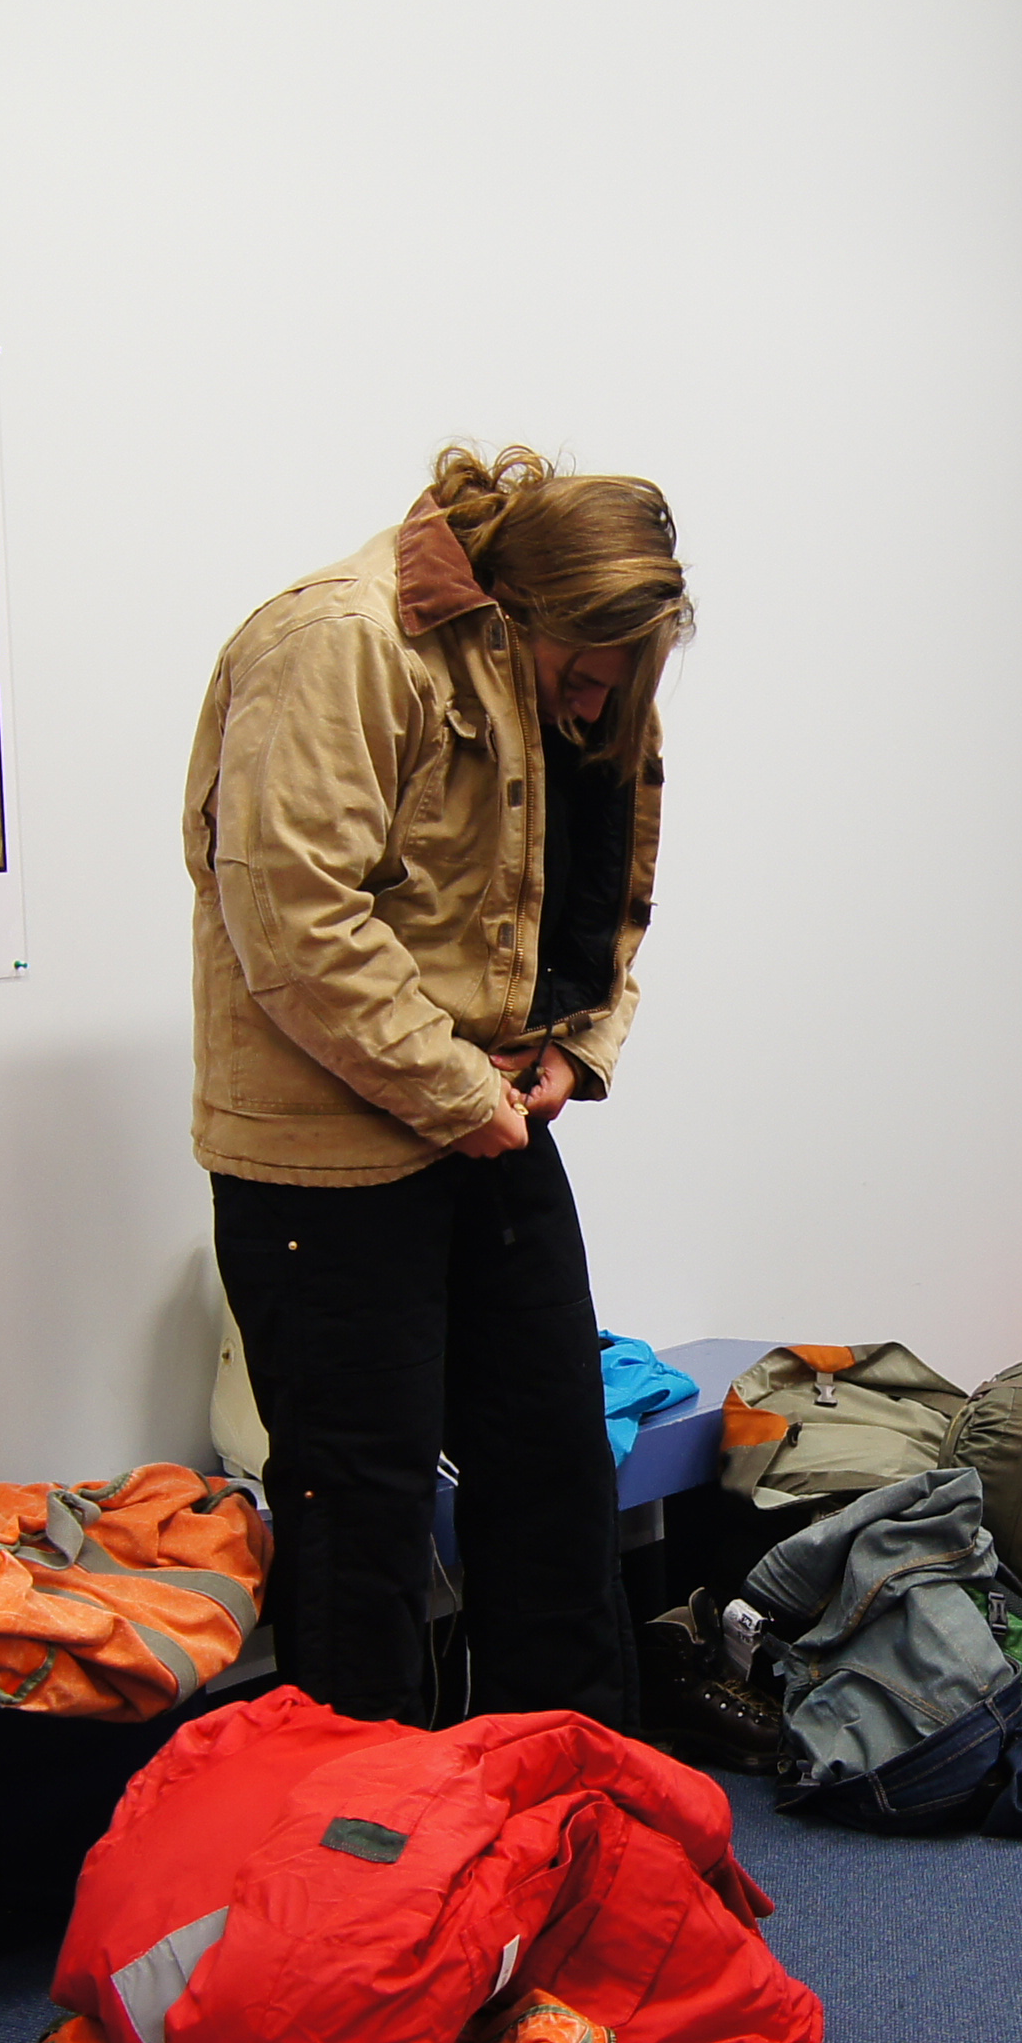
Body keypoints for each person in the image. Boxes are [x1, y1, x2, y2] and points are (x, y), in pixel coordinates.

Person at [183, 443, 690, 1729]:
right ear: (519, 614)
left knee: (558, 1481)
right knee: (361, 1524)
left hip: (490, 1116)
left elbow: (597, 880)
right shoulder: (338, 643)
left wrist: (581, 1041)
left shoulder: (590, 669)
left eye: (616, 689)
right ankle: (373, 1876)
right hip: (327, 1155)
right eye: (581, 680)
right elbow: (294, 922)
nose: (595, 709)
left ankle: (577, 1825)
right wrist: (468, 1095)